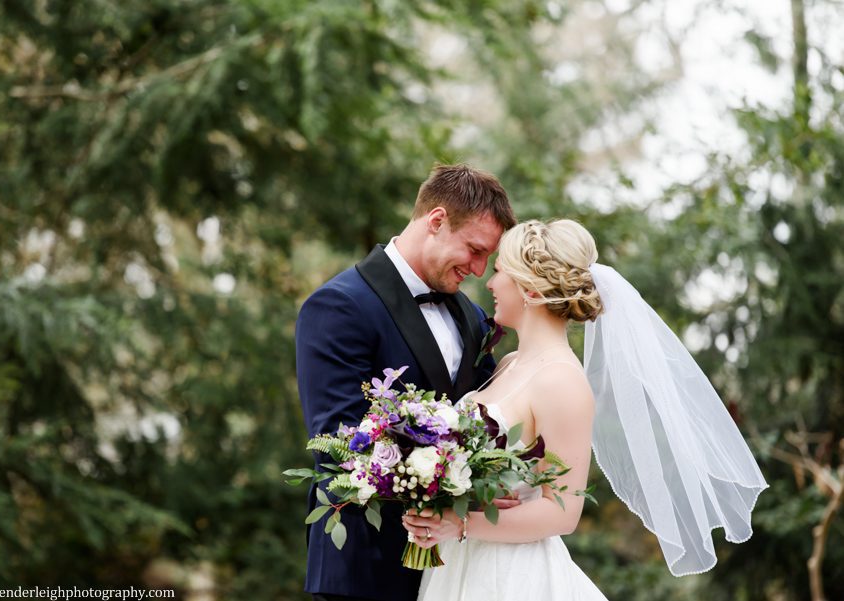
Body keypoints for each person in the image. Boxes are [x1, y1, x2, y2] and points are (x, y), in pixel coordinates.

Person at [402, 219, 768, 600]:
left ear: (528, 287)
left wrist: (461, 523)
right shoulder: (510, 363)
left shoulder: (562, 382)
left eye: (498, 272)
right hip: (464, 563)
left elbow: (562, 513)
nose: (490, 283)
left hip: (509, 578)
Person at [295, 164, 517, 601]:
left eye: (487, 257)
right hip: (366, 567)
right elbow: (341, 444)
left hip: (456, 571)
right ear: (436, 221)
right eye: (474, 250)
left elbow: (488, 425)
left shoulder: (472, 318)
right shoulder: (338, 307)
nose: (478, 269)